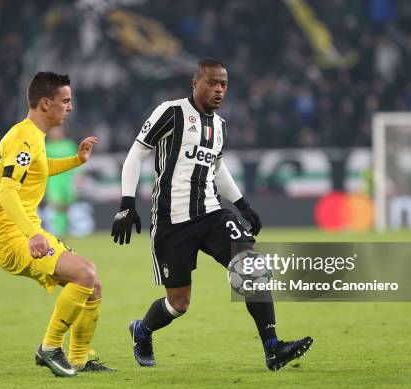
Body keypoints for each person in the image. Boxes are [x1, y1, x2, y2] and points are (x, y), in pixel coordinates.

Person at [111, 59, 313, 371]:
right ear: (196, 83)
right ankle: (142, 330)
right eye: (212, 83)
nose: (219, 89)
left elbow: (216, 167)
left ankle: (273, 348)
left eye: (224, 84)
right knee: (179, 304)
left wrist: (243, 205)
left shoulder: (219, 126)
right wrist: (126, 202)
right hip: (172, 221)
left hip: (211, 214)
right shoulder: (172, 112)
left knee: (253, 267)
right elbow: (137, 153)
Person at [0, 71, 114, 377]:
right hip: (12, 237)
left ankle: (79, 358)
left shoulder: (32, 136)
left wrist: (75, 161)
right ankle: (49, 348)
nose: (70, 108)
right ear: (46, 103)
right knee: (85, 273)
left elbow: (39, 170)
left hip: (26, 231)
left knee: (92, 285)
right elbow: (6, 191)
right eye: (65, 101)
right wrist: (32, 234)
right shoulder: (24, 138)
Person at [45, 126, 79, 237]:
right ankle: (59, 231)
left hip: (68, 180)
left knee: (66, 207)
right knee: (57, 204)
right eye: (53, 131)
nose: (55, 133)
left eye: (57, 130)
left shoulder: (69, 145)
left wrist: (79, 175)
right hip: (54, 181)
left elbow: (77, 161)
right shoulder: (47, 147)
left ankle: (63, 230)